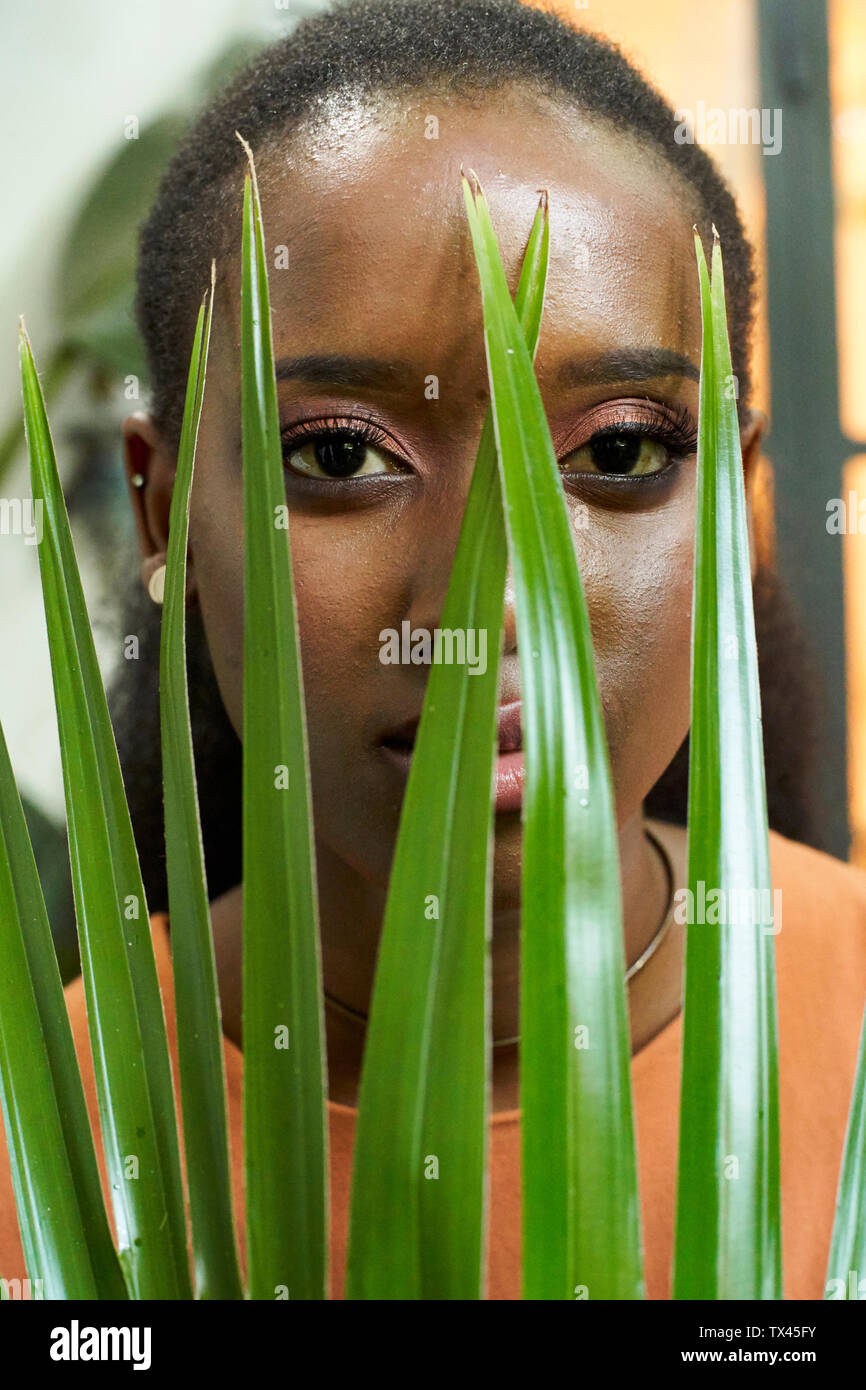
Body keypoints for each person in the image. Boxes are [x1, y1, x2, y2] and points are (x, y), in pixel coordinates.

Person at [2, 0, 864, 1300]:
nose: (492, 600)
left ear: (736, 510)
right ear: (164, 515)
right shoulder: (41, 1153)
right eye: (341, 455)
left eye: (620, 450)